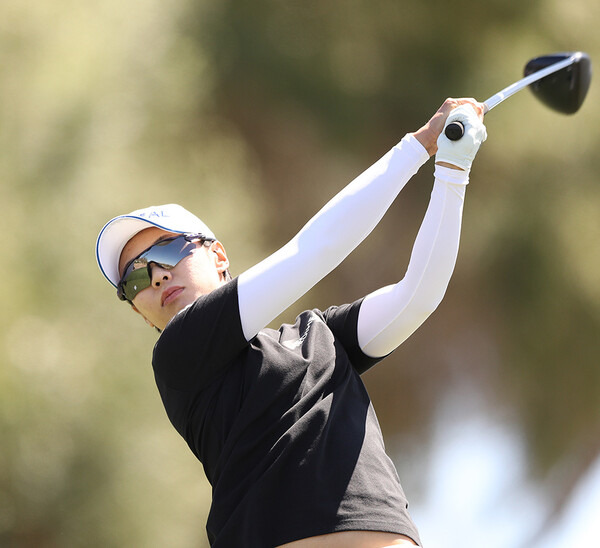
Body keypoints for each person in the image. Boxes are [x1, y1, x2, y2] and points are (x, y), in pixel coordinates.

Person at [95, 98, 487, 547]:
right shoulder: (178, 355)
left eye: (167, 251)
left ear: (218, 256)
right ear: (138, 310)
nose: (158, 275)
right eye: (136, 277)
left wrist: (453, 171)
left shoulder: (318, 334)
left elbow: (416, 297)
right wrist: (417, 146)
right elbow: (313, 251)